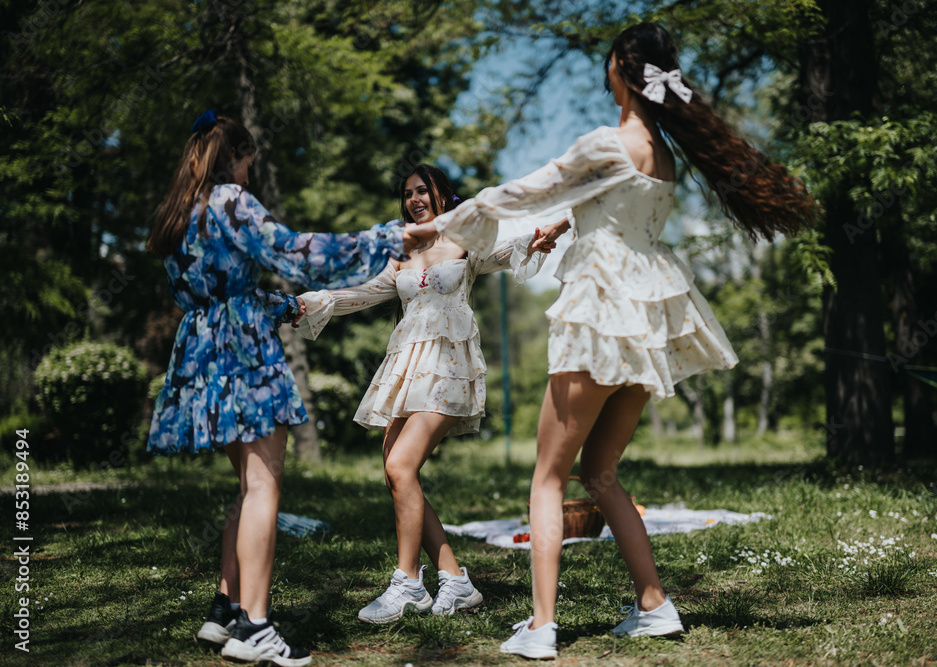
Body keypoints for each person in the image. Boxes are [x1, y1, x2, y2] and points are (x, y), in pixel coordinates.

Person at [430, 23, 822, 659]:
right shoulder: (663, 152)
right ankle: (654, 604)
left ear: (620, 69)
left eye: (607, 62)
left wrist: (444, 226)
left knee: (548, 476)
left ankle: (541, 626)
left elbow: (521, 189)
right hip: (649, 319)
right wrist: (569, 219)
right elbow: (620, 206)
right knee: (601, 473)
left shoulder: (607, 141)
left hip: (602, 312)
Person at [146, 111, 433, 667]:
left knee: (248, 485)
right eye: (249, 164)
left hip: (201, 349)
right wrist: (385, 238)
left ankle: (224, 609)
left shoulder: (180, 213)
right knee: (265, 485)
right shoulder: (231, 200)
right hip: (243, 350)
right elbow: (295, 252)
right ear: (236, 155)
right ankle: (256, 627)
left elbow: (217, 289)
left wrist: (281, 307)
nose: (250, 177)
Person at [295, 164, 553, 625]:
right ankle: (455, 581)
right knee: (397, 474)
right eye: (408, 193)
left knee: (400, 465)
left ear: (441, 193)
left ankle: (408, 583)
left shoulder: (464, 239)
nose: (415, 198)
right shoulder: (401, 252)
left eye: (423, 190)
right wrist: (315, 301)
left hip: (451, 366)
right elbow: (364, 293)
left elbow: (506, 251)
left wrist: (536, 237)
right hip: (407, 368)